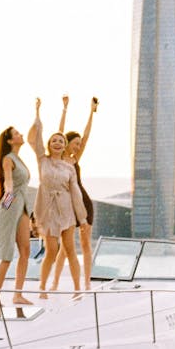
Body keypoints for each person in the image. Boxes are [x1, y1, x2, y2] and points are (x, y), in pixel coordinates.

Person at [27, 98, 89, 297]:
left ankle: (77, 289)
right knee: (52, 250)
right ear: (49, 145)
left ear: (65, 147)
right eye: (54, 140)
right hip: (47, 209)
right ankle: (43, 287)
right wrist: (37, 112)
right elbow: (35, 137)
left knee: (70, 249)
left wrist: (83, 219)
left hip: (66, 210)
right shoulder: (42, 160)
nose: (57, 143)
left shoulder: (69, 166)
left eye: (61, 141)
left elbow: (76, 194)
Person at [50, 95, 98, 291]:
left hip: (83, 203)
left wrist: (91, 112)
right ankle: (54, 283)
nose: (78, 146)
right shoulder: (58, 158)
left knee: (85, 244)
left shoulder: (75, 159)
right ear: (66, 143)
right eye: (75, 143)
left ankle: (87, 283)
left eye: (79, 144)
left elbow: (86, 136)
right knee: (65, 247)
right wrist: (65, 108)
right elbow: (59, 132)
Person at [0, 125, 32, 316]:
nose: (20, 134)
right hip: (10, 203)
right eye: (16, 134)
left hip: (22, 205)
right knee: (7, 254)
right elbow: (8, 180)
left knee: (25, 250)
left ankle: (18, 294)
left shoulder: (19, 158)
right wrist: (7, 197)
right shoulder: (8, 159)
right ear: (9, 141)